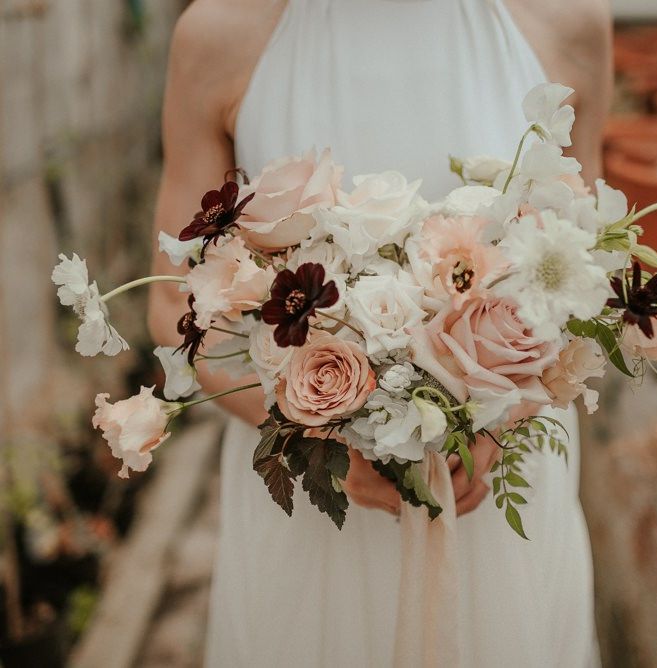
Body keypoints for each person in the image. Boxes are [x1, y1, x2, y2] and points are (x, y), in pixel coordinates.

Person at [149, 0, 612, 665]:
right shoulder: (221, 33)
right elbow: (172, 303)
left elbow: (585, 276)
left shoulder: (567, 20)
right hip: (312, 499)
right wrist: (315, 432)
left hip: (497, 488)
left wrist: (503, 419)